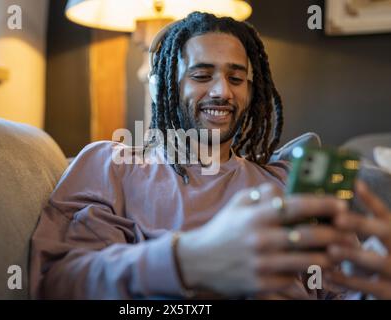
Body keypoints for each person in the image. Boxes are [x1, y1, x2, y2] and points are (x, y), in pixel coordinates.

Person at [29, 12, 386, 299]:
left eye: (236, 78)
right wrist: (188, 261)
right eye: (201, 75)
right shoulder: (113, 166)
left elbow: (336, 292)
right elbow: (61, 282)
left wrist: (374, 283)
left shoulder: (284, 180)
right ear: (164, 86)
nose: (222, 91)